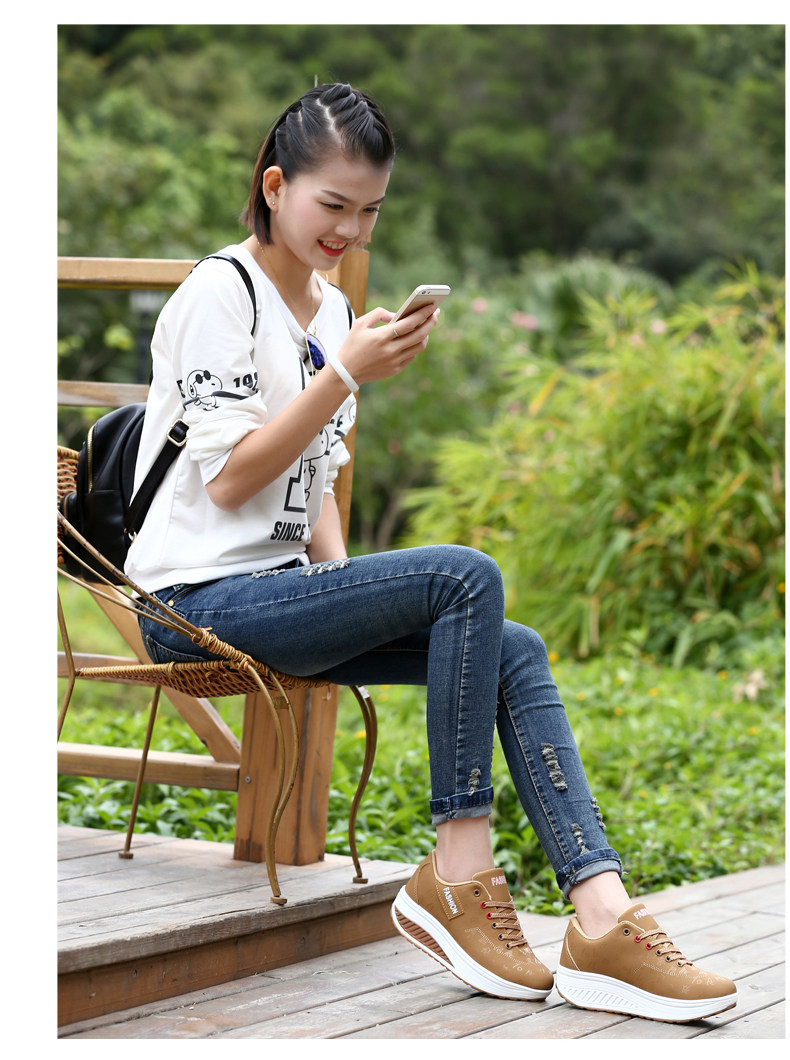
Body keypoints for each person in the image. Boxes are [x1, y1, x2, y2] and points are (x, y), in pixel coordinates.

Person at [128, 82, 737, 1023]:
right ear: (275, 186)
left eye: (370, 211)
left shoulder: (335, 313)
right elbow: (231, 483)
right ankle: (458, 870)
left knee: (515, 647)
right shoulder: (222, 293)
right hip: (191, 604)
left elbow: (316, 485)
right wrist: (342, 377)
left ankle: (602, 919)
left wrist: (340, 588)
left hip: (278, 595)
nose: (351, 231)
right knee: (465, 574)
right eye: (334, 205)